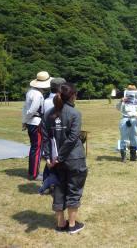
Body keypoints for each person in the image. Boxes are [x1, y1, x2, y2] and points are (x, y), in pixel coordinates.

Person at [42, 83, 88, 234]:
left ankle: (61, 224)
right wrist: (58, 157)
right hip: (74, 159)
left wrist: (50, 157)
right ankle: (72, 225)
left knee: (59, 189)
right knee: (74, 189)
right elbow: (73, 138)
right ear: (73, 96)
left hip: (55, 160)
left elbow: (45, 138)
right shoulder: (75, 113)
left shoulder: (48, 114)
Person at [22, 71, 52, 181]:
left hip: (31, 122)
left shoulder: (30, 91)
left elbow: (25, 108)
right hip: (36, 122)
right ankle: (34, 174)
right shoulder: (37, 94)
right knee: (37, 149)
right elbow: (32, 110)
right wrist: (26, 119)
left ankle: (32, 171)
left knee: (35, 148)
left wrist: (24, 121)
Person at [116, 85, 137, 162]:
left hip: (134, 119)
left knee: (134, 137)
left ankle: (133, 156)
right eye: (130, 90)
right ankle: (123, 157)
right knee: (124, 138)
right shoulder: (124, 99)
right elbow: (117, 108)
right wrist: (121, 101)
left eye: (133, 90)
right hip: (125, 119)